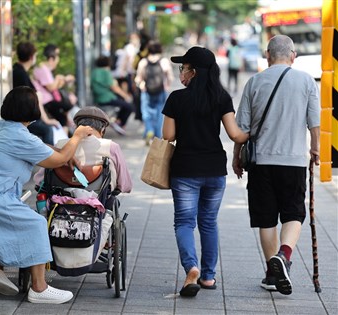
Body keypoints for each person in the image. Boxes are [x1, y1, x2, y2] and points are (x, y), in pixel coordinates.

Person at [0, 86, 93, 304]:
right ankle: (39, 288)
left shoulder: (1, 126)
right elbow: (54, 159)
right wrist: (76, 137)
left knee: (17, 219)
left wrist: (61, 153)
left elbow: (39, 147)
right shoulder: (19, 136)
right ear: (32, 110)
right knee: (35, 223)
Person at [232, 35, 320, 295]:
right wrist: (315, 149)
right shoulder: (306, 81)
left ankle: (272, 275)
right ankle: (284, 255)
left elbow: (242, 129)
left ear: (267, 55)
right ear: (293, 55)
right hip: (293, 161)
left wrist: (236, 156)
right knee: (294, 213)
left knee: (266, 218)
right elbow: (314, 122)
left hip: (261, 162)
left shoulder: (254, 82)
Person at [162, 47, 248, 297]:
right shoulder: (221, 97)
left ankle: (192, 268)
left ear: (193, 71)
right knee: (209, 222)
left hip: (185, 169)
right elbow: (235, 135)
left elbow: (168, 136)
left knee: (184, 222)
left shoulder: (176, 99)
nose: (181, 73)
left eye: (183, 68)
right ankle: (208, 277)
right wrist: (253, 132)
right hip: (214, 169)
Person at [34, 106, 132, 195]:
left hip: (61, 197)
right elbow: (125, 184)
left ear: (77, 127)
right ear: (102, 130)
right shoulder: (111, 146)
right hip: (99, 198)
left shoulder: (60, 145)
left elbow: (39, 180)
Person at [13, 42, 60, 145]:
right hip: (22, 118)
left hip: (21, 116)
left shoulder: (18, 70)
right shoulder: (21, 74)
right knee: (47, 129)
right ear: (31, 57)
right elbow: (35, 97)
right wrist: (46, 120)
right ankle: (49, 159)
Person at [135, 40, 174, 145]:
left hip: (146, 91)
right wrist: (167, 86)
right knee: (160, 113)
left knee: (146, 113)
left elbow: (138, 78)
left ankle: (149, 130)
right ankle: (157, 136)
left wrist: (141, 85)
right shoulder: (163, 61)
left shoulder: (143, 61)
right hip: (161, 90)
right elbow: (169, 76)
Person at [32, 44, 75, 132]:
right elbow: (51, 87)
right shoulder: (42, 68)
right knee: (64, 113)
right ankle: (64, 141)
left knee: (65, 112)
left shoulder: (43, 68)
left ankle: (65, 138)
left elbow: (53, 86)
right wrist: (58, 78)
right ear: (51, 59)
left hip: (47, 100)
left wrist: (62, 80)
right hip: (46, 100)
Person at [91, 55, 134, 135]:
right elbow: (114, 87)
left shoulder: (94, 72)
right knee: (129, 106)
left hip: (99, 98)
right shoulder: (105, 72)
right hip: (107, 98)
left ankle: (117, 121)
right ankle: (119, 123)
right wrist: (126, 96)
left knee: (122, 103)